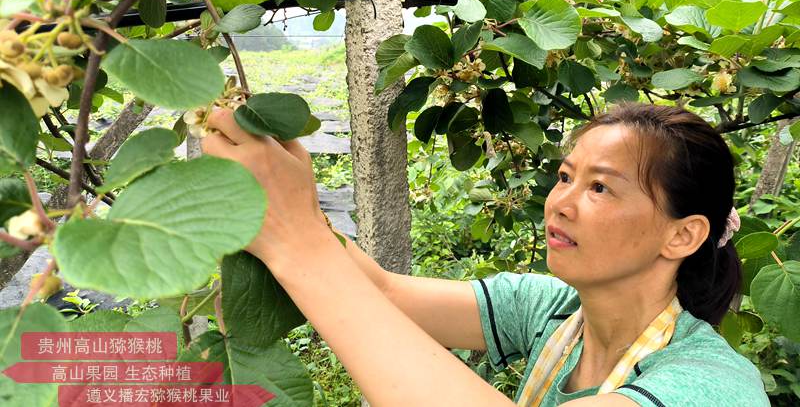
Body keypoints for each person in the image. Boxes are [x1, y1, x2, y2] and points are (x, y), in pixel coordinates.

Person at [201, 102, 769, 406]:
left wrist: (296, 239)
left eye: (600, 187)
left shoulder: (711, 386)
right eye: (565, 176)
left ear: (683, 235)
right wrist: (289, 206)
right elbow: (385, 294)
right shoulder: (553, 310)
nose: (561, 203)